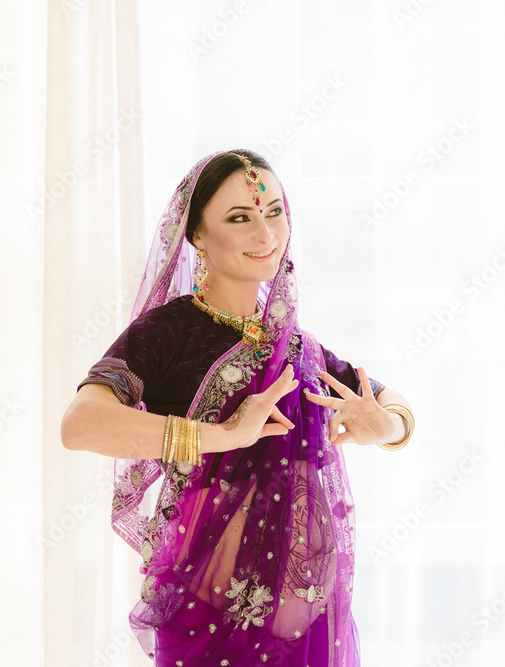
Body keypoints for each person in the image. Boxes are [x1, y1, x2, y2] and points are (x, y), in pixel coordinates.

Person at [60, 149, 415, 666]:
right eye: (240, 218)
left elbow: (385, 398)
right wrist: (225, 434)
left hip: (314, 621)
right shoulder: (167, 333)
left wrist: (389, 426)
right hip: (209, 620)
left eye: (274, 212)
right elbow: (80, 425)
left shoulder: (297, 346)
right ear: (197, 235)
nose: (265, 233)